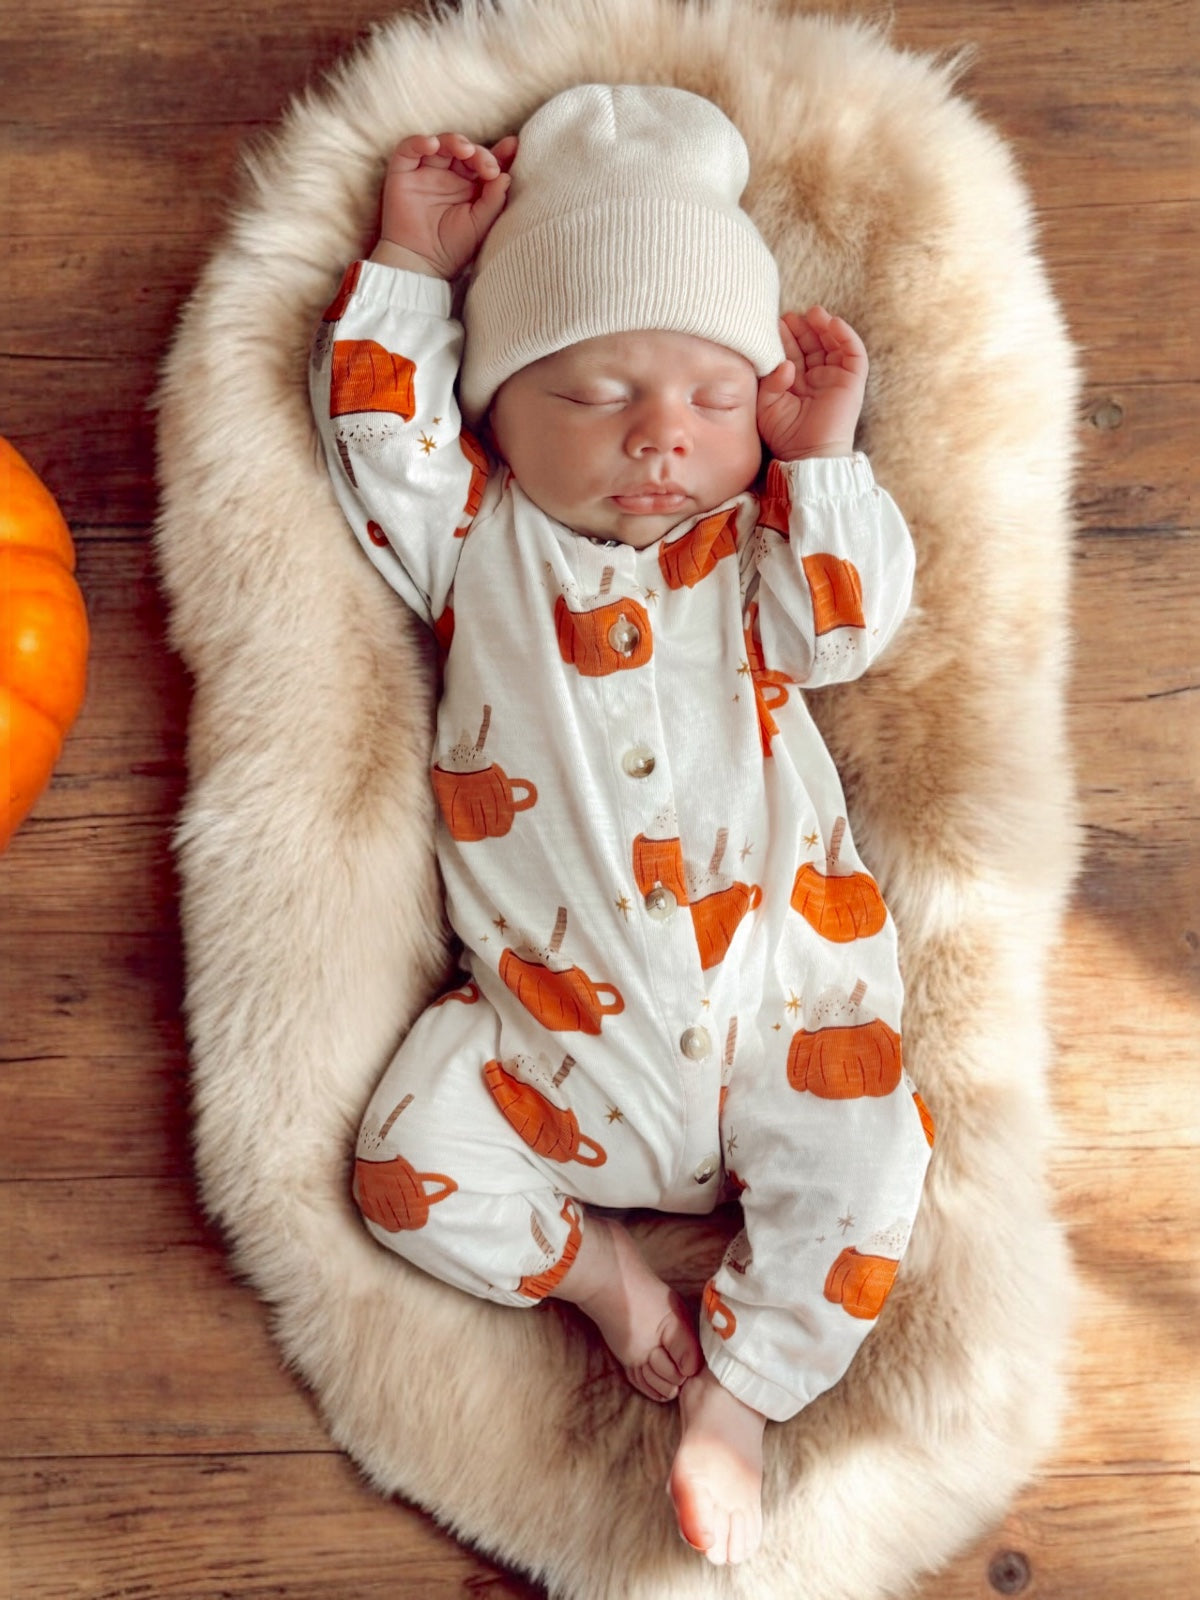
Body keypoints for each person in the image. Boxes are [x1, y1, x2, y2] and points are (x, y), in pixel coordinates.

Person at [308, 84, 934, 1568]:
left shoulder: (751, 554)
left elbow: (847, 630)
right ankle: (600, 1278)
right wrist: (408, 259)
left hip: (788, 1018)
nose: (660, 438)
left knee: (876, 1158)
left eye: (713, 404)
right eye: (594, 396)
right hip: (548, 1045)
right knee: (400, 1166)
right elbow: (382, 435)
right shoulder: (480, 544)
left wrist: (823, 453)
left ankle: (745, 1391)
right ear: (500, 414)